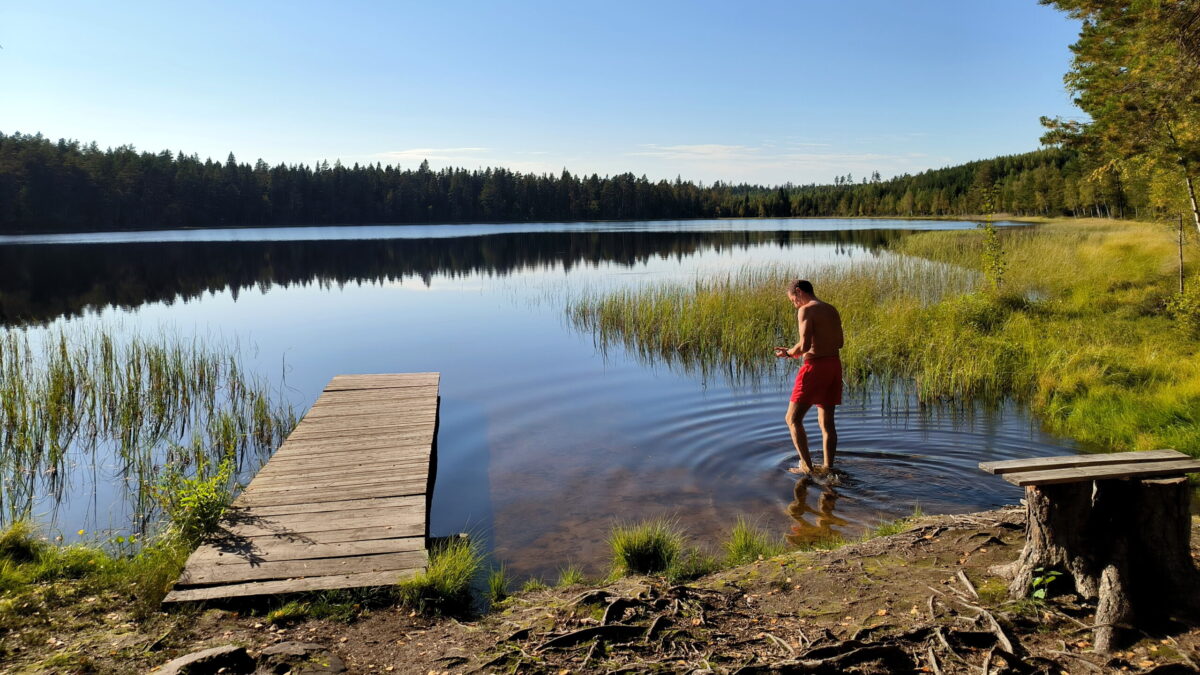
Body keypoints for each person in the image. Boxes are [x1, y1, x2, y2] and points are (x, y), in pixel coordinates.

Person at [773, 279, 844, 476]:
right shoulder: (831, 309)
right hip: (834, 366)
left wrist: (788, 352)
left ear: (798, 291)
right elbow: (840, 343)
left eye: (793, 300)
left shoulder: (805, 310)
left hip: (815, 368)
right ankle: (828, 468)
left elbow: (804, 346)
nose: (794, 305)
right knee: (827, 423)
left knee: (792, 419)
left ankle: (807, 467)